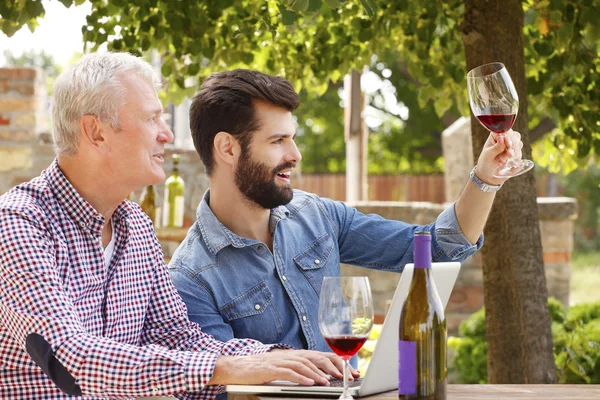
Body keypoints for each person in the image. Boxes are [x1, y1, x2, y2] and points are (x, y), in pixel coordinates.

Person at [0, 53, 347, 400]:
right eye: (153, 118)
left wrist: (278, 361)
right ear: (96, 132)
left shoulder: (135, 225)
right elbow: (70, 359)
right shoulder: (19, 224)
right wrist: (226, 369)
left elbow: (177, 337)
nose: (166, 134)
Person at [169, 69, 524, 354]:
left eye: (292, 137)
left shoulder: (317, 215)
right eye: (278, 141)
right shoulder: (190, 278)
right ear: (227, 148)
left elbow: (434, 248)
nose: (296, 154)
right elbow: (221, 387)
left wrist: (486, 178)